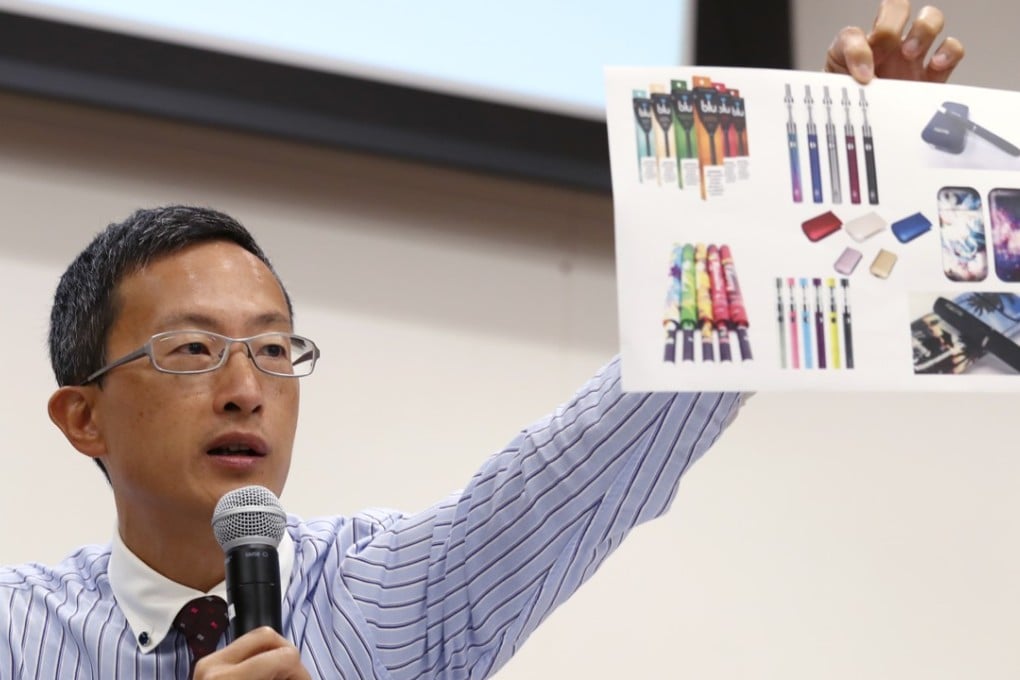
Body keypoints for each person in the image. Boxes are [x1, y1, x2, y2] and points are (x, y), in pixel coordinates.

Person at [0, 3, 965, 679]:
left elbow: (609, 444)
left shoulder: (394, 595)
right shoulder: (16, 632)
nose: (247, 388)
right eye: (193, 351)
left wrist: (826, 176)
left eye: (276, 350)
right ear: (82, 417)